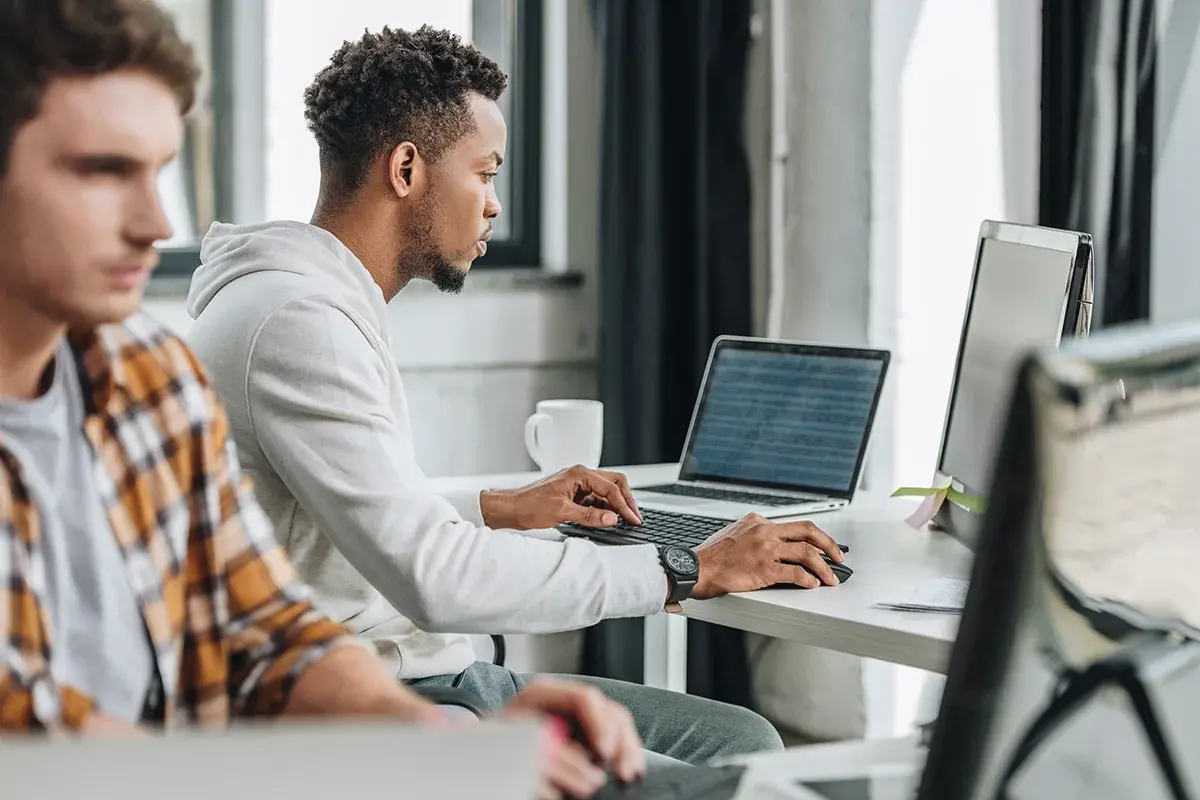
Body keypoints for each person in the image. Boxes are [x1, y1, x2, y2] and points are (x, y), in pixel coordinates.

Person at [0, 3, 647, 797]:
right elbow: (34, 739)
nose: (154, 223)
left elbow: (271, 628)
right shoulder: (289, 320)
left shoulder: (150, 388)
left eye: (156, 171)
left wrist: (428, 731)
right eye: (101, 171)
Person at [186, 25, 848, 765]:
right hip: (396, 701)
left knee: (743, 740)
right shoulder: (298, 324)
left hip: (436, 674)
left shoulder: (301, 301)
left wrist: (498, 509)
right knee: (729, 775)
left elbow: (345, 519)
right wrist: (685, 567)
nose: (495, 204)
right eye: (485, 173)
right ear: (406, 169)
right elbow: (434, 578)